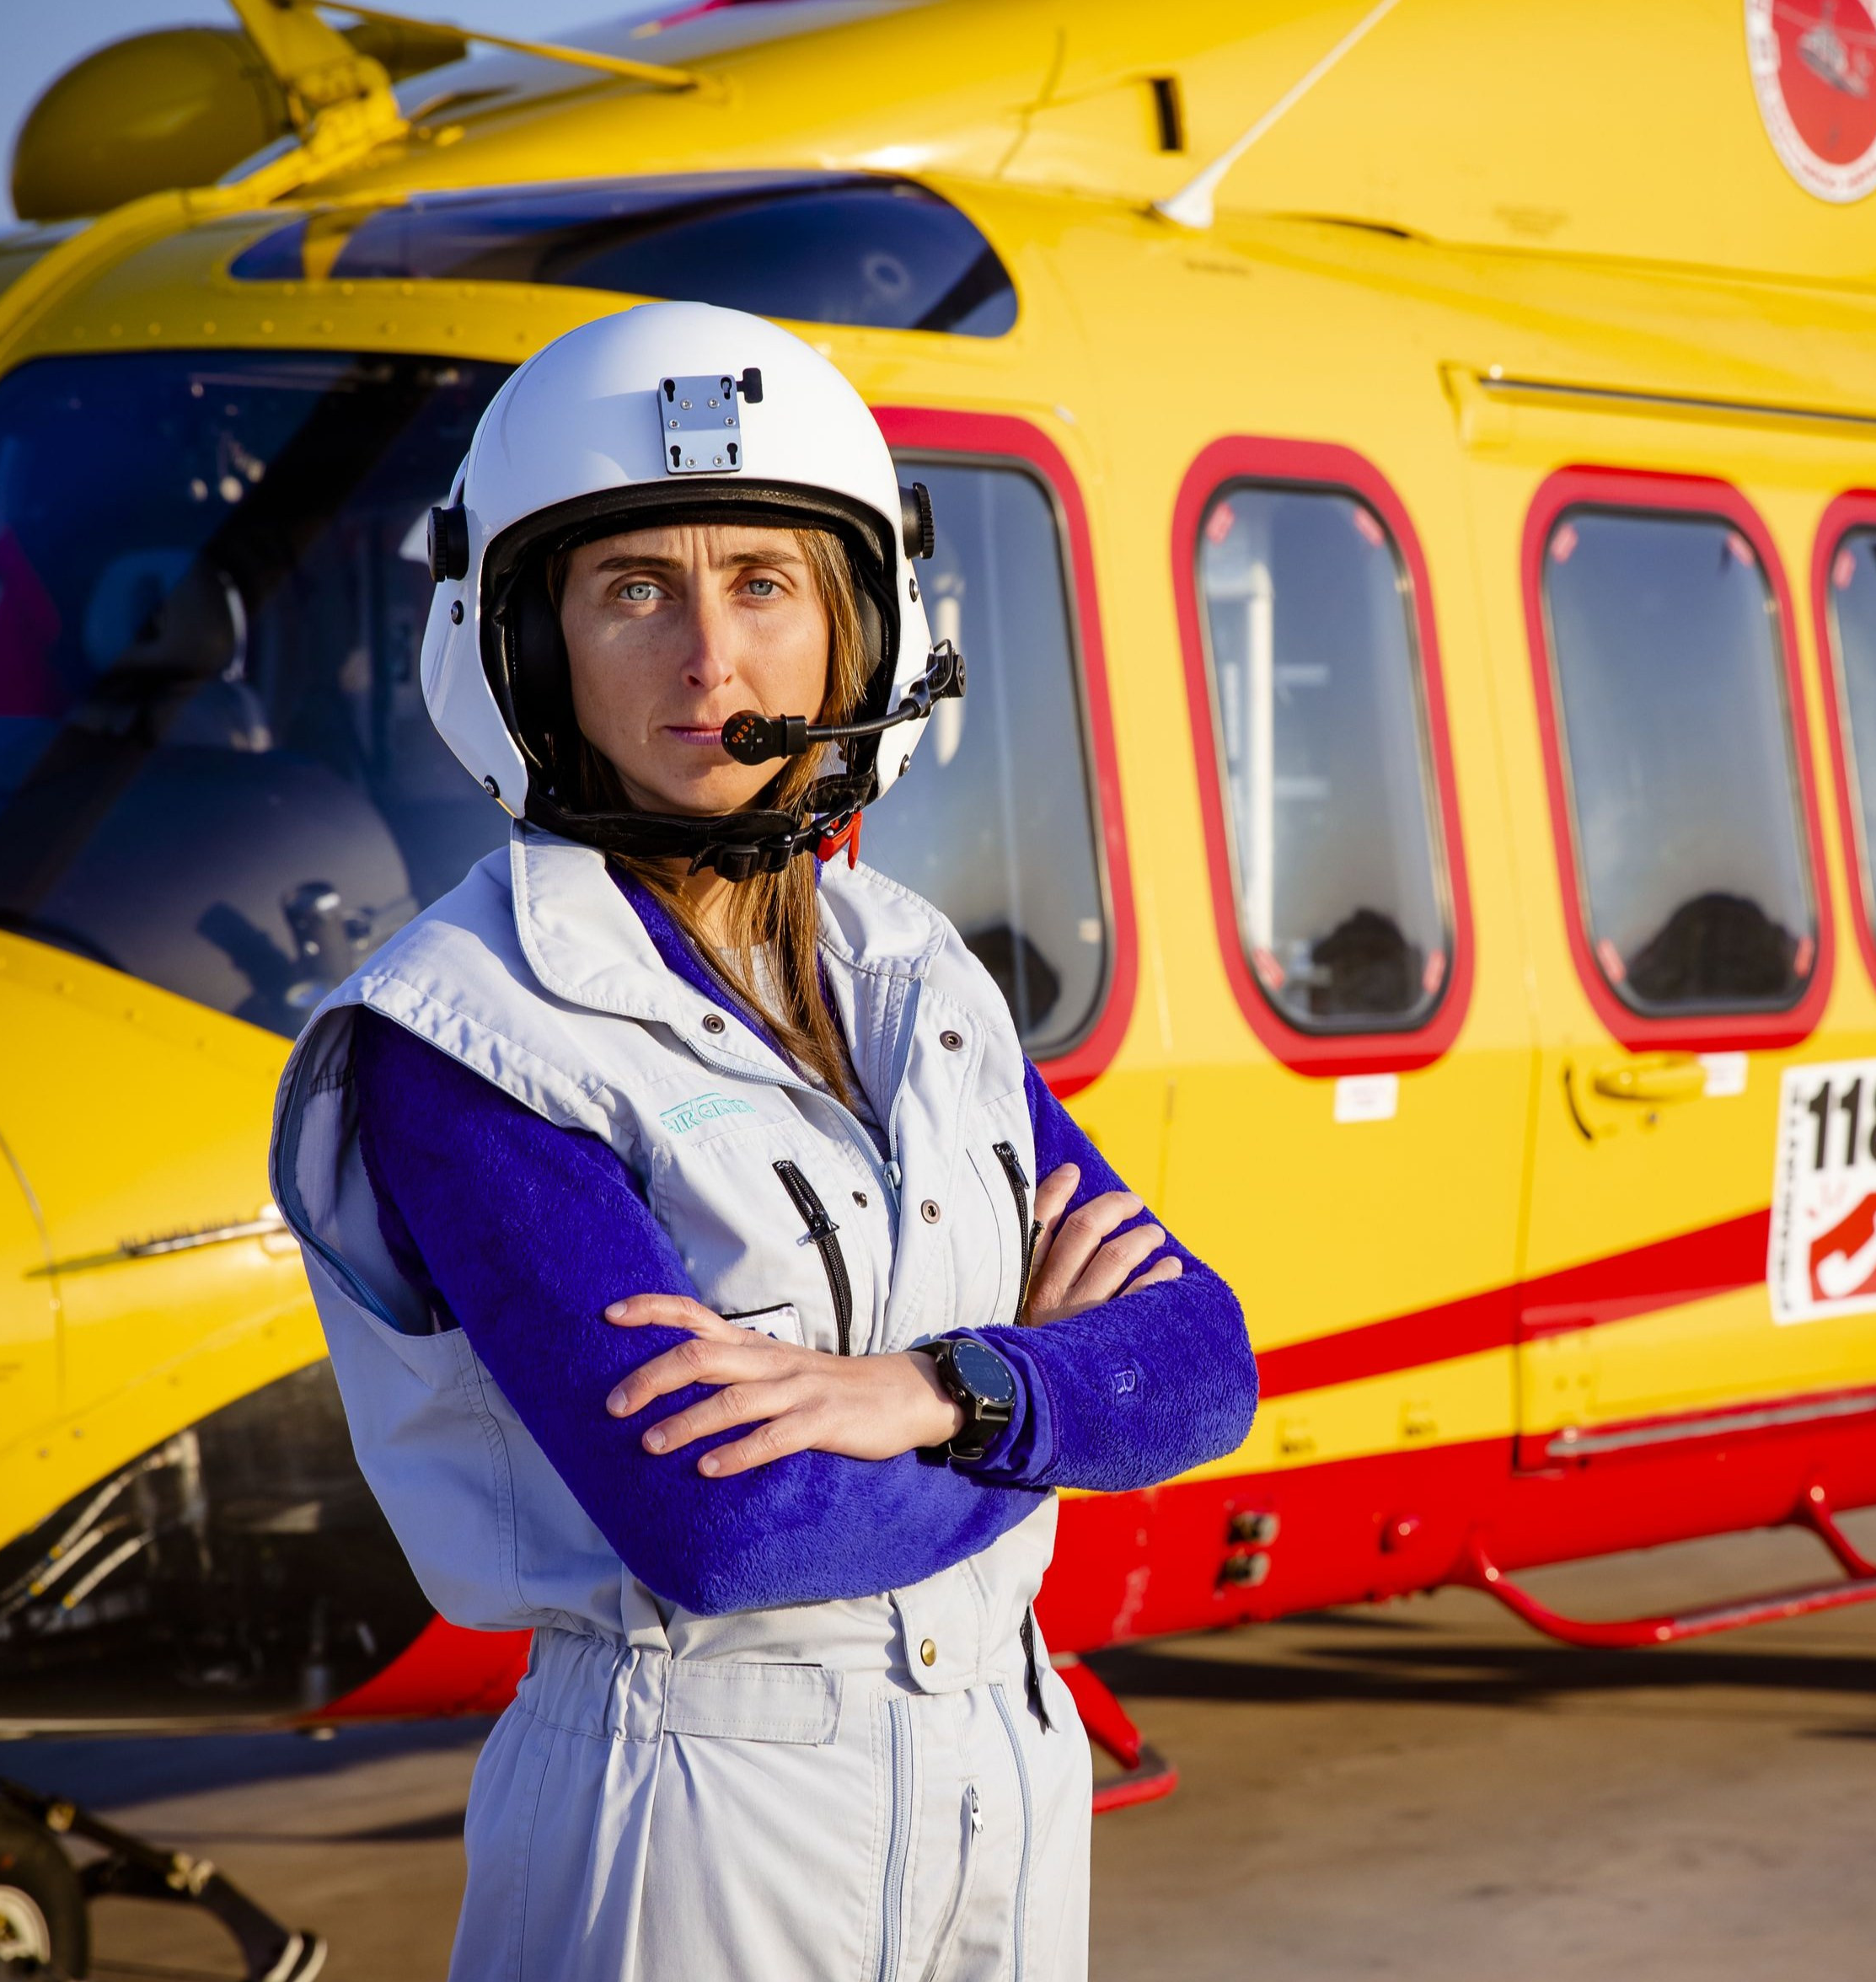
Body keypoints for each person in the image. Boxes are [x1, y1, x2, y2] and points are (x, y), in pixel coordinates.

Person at [270, 301, 1257, 1981]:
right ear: (527, 647)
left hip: (999, 1799)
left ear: (853, 632)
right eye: (633, 587)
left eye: (762, 585)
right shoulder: (470, 1035)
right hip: (697, 1826)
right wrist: (1052, 1417)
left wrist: (941, 1391)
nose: (706, 661)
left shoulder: (912, 980)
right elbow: (729, 1529)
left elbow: (1204, 1365)